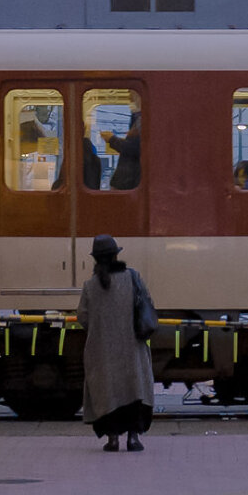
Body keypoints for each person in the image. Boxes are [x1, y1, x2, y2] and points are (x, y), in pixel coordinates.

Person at [77, 234, 155, 452]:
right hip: (133, 349)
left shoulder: (90, 285)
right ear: (115, 255)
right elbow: (147, 304)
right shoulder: (132, 277)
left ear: (96, 259)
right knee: (134, 390)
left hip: (102, 352)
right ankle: (133, 439)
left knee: (107, 392)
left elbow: (83, 316)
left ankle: (112, 439)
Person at [100, 111, 141, 191]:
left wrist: (112, 140)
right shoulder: (138, 119)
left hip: (128, 181)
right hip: (126, 179)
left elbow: (134, 148)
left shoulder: (143, 120)